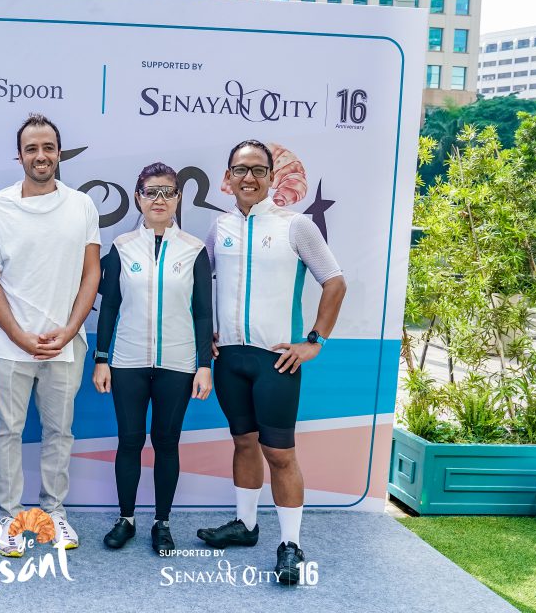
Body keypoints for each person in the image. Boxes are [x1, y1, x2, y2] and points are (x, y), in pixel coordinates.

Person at [195, 140, 347, 586]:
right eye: (240, 170)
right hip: (229, 359)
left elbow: (335, 282)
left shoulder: (295, 226)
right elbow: (199, 285)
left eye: (258, 170)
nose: (249, 178)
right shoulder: (219, 227)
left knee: (279, 453)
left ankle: (290, 545)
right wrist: (207, 335)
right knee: (243, 443)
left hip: (275, 362)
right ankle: (245, 526)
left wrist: (314, 341)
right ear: (228, 177)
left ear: (271, 177)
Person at [0, 113, 101, 556]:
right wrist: (18, 334)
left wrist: (70, 329)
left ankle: (54, 513)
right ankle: (9, 517)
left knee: (59, 432)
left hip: (65, 344)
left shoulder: (81, 206)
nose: (41, 155)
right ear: (20, 155)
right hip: (9, 345)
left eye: (48, 147)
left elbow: (91, 272)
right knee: (6, 431)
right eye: (32, 148)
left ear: (59, 153)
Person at [91, 163, 213, 555]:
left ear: (178, 198)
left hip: (178, 364)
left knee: (166, 441)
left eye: (167, 192)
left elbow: (203, 313)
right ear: (138, 198)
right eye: (151, 191)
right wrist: (101, 358)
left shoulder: (194, 249)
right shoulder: (121, 247)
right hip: (127, 361)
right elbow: (109, 307)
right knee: (129, 440)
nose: (159, 199)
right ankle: (126, 519)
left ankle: (162, 523)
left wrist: (204, 365)